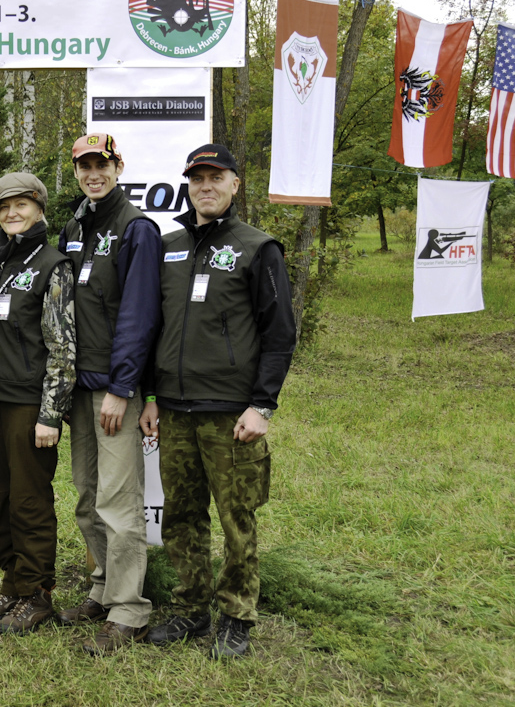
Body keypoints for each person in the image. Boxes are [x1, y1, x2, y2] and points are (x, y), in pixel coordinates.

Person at [139, 143, 296, 659]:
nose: (205, 186)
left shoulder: (257, 247)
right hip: (176, 409)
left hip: (232, 412)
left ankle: (237, 615)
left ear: (235, 184)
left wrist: (262, 405)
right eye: (197, 177)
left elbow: (279, 334)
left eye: (216, 177)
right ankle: (190, 607)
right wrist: (152, 396)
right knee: (181, 514)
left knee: (236, 517)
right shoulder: (171, 246)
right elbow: (155, 326)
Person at [56, 133, 161, 655]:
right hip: (78, 387)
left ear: (119, 166)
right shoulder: (75, 225)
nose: (93, 173)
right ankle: (101, 589)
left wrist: (124, 388)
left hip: (113, 392)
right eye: (84, 166)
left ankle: (129, 609)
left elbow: (140, 315)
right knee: (86, 497)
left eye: (102, 164)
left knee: (119, 504)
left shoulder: (135, 228)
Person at [0, 173, 76, 634]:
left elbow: (63, 346)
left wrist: (51, 412)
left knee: (29, 501)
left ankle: (37, 594)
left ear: (39, 208)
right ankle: (12, 585)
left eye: (22, 205)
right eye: (4, 206)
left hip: (29, 405)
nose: (13, 213)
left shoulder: (54, 265)